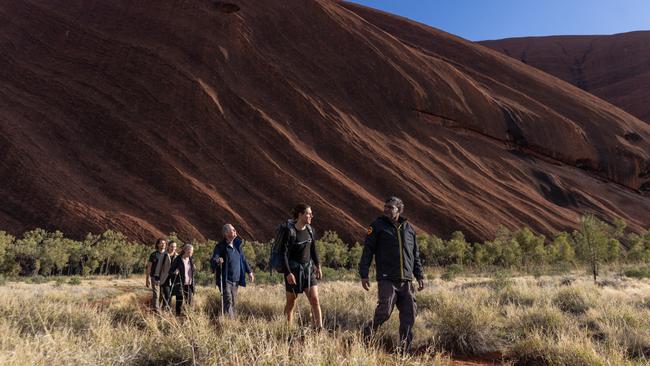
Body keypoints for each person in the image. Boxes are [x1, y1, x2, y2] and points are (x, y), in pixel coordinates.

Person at [359, 196, 425, 352]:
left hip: (406, 280)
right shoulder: (377, 226)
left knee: (410, 314)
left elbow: (415, 255)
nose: (386, 209)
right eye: (385, 207)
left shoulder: (409, 229)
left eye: (391, 207)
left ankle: (404, 350)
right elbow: (368, 250)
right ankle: (368, 332)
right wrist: (364, 273)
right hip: (387, 278)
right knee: (385, 311)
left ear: (399, 209)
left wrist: (420, 276)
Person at [279, 204, 323, 329]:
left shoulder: (310, 230)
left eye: (311, 213)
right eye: (308, 213)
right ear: (300, 215)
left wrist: (318, 266)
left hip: (308, 270)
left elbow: (313, 249)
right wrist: (288, 273)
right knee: (291, 301)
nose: (311, 216)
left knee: (314, 299)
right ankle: (287, 328)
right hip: (293, 271)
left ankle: (319, 328)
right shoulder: (290, 231)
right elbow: (284, 254)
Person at [210, 224, 255, 317]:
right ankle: (229, 323)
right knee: (228, 300)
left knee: (233, 301)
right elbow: (214, 258)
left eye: (235, 230)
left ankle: (232, 320)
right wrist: (218, 260)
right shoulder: (220, 246)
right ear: (226, 233)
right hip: (225, 279)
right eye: (233, 230)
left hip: (236, 280)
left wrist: (249, 272)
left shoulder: (237, 245)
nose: (235, 231)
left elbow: (243, 259)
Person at [170, 244, 196, 316]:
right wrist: (175, 271)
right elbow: (171, 271)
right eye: (189, 252)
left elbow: (192, 272)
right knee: (179, 301)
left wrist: (194, 269)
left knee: (189, 302)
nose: (190, 253)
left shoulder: (191, 259)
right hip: (180, 283)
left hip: (189, 284)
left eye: (191, 252)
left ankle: (188, 316)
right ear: (185, 250)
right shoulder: (178, 259)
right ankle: (177, 316)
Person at [145, 238, 167, 312]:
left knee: (162, 294)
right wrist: (147, 279)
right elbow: (149, 267)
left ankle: (159, 307)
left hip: (164, 277)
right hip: (155, 276)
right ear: (158, 244)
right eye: (161, 243)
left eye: (164, 243)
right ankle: (156, 310)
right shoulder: (153, 254)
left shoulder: (167, 254)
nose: (163, 244)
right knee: (156, 294)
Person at [161, 240, 179, 311]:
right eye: (172, 246)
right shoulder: (164, 255)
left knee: (170, 295)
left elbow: (179, 266)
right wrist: (157, 277)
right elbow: (159, 267)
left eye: (174, 247)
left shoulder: (177, 256)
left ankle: (166, 309)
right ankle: (166, 309)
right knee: (167, 294)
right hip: (164, 278)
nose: (173, 248)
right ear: (168, 247)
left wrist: (178, 270)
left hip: (173, 278)